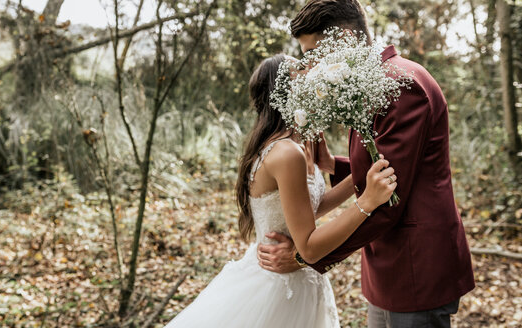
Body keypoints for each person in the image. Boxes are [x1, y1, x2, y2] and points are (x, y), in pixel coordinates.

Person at [257, 1, 475, 327]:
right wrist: (335, 165)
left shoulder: (400, 85)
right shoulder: (372, 81)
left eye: (314, 51)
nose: (312, 65)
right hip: (390, 265)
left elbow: (387, 194)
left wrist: (305, 255)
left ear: (344, 37)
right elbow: (383, 163)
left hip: (415, 266)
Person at [165, 54, 398, 328]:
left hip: (302, 280)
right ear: (284, 89)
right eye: (301, 67)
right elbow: (308, 246)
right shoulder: (286, 153)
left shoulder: (301, 143)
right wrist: (366, 202)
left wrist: (362, 175)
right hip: (277, 286)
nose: (312, 69)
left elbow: (309, 207)